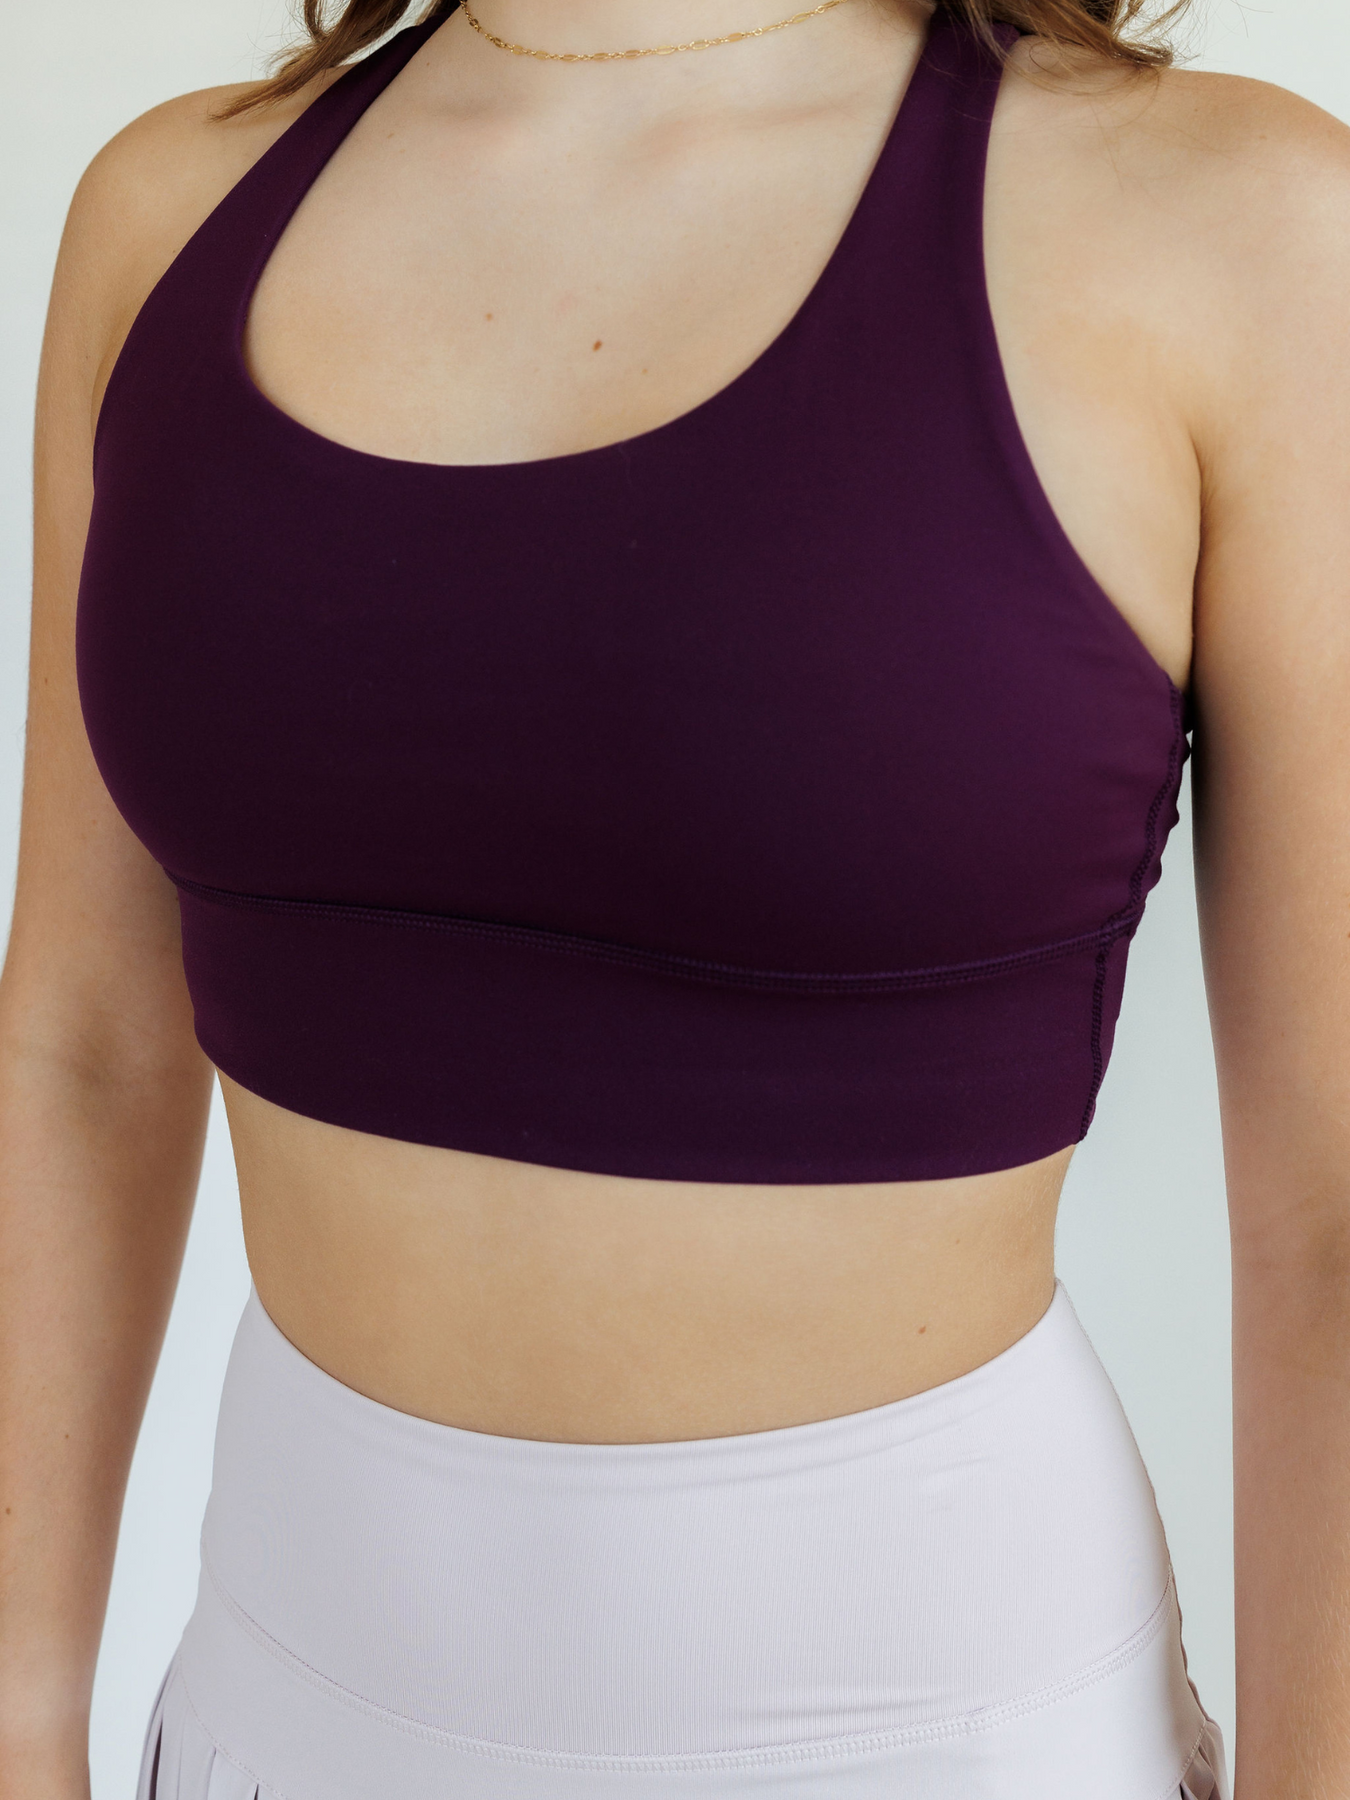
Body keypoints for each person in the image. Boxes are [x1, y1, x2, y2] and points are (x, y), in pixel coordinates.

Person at [3, 0, 1349, 1789]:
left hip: (930, 1744)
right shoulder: (168, 213)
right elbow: (83, 1051)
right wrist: (19, 1714)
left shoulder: (1233, 223)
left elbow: (1331, 1215)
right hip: (270, 1721)